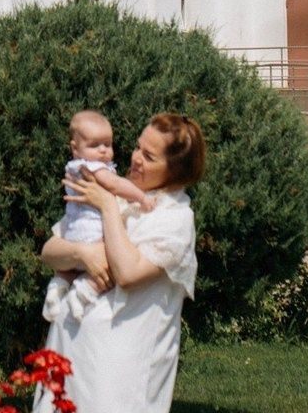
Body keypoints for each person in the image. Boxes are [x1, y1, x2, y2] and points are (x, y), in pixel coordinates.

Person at [34, 113, 205, 413]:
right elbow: (50, 250)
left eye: (149, 156)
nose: (136, 158)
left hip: (117, 372)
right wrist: (83, 254)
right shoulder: (117, 190)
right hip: (69, 349)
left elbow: (127, 273)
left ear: (175, 170)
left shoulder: (174, 218)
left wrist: (108, 207)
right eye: (138, 147)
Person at [42, 109, 155, 322]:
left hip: (72, 232)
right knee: (112, 261)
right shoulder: (93, 169)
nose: (103, 151)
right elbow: (116, 184)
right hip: (93, 233)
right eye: (95, 145)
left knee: (67, 271)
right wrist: (140, 197)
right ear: (75, 149)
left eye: (107, 144)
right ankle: (84, 293)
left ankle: (56, 289)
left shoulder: (75, 168)